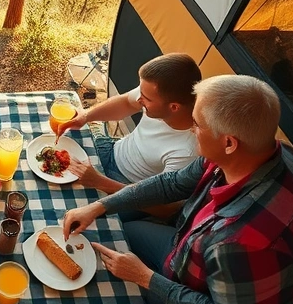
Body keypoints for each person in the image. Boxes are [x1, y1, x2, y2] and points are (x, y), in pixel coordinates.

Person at [63, 75, 293, 304]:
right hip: (198, 256)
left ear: (229, 142)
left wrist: (146, 278)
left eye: (197, 125)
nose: (189, 130)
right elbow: (172, 183)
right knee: (124, 233)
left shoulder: (243, 242)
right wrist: (101, 206)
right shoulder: (265, 152)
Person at [57, 53, 201, 221]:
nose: (139, 99)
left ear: (174, 107)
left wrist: (100, 182)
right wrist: (86, 116)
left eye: (145, 98)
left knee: (66, 214)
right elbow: (126, 102)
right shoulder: (154, 97)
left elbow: (166, 210)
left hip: (129, 190)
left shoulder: (189, 150)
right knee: (53, 160)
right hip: (110, 149)